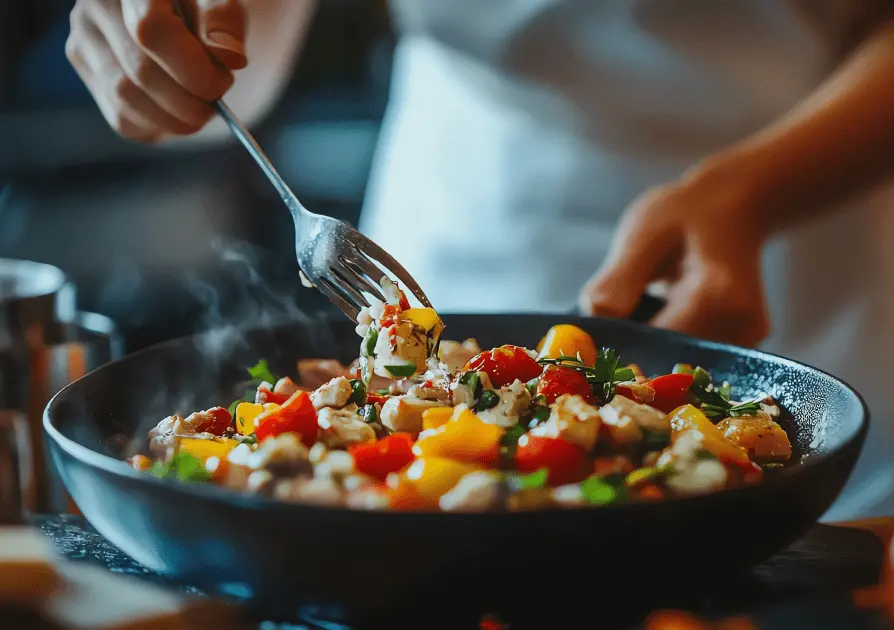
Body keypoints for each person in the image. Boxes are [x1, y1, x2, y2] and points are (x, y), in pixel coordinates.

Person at [65, 0, 894, 520]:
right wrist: (163, 40)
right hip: (463, 202)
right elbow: (237, 62)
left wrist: (751, 195)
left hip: (802, 218)